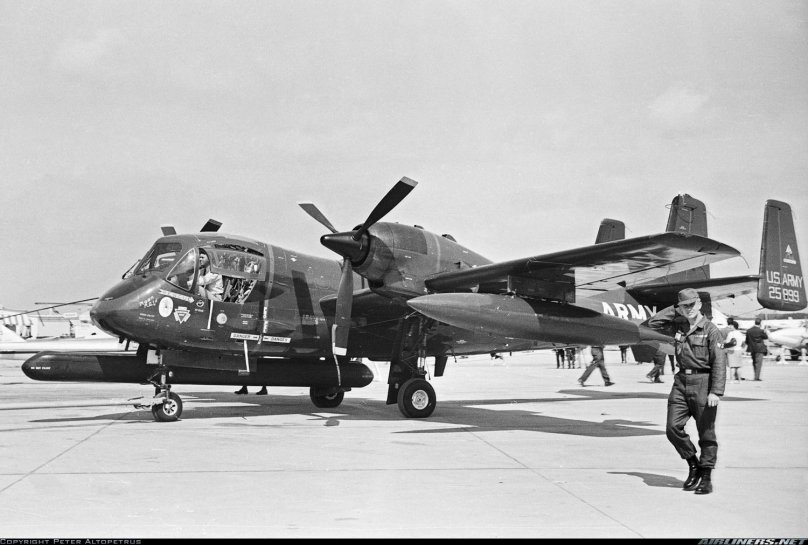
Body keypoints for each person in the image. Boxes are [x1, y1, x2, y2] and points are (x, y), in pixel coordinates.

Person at [648, 288, 726, 495]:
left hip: (703, 381)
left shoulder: (711, 330)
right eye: (685, 305)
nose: (689, 309)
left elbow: (719, 362)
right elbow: (653, 324)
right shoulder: (679, 324)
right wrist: (676, 309)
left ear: (699, 304)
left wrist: (716, 392)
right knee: (672, 428)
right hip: (681, 382)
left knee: (706, 433)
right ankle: (694, 463)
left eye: (692, 304)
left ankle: (706, 477)